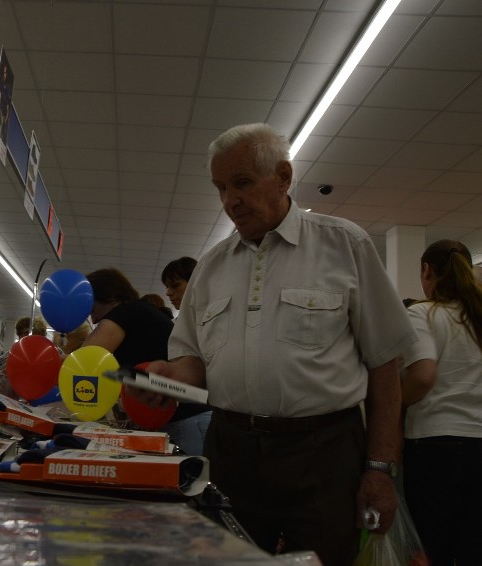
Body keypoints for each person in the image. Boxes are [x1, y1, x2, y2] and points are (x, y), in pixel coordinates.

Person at [143, 123, 416, 564]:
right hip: (230, 450)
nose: (230, 200)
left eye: (243, 183)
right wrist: (167, 378)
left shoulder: (344, 245)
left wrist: (381, 469)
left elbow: (386, 364)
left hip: (324, 454)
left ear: (284, 177)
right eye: (221, 187)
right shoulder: (211, 267)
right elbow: (192, 359)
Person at [401, 240, 482, 565]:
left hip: (436, 444)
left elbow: (422, 376)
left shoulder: (422, 312)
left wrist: (396, 404)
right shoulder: (477, 318)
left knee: (432, 547)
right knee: (472, 547)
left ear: (426, 271)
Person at [85, 268, 211, 454]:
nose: (94, 319)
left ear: (110, 297)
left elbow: (85, 361)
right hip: (195, 416)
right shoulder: (146, 312)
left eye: (93, 309)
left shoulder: (124, 312)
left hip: (184, 422)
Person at [157, 257, 214, 456]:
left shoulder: (211, 320)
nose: (168, 292)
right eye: (166, 286)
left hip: (198, 415)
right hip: (193, 412)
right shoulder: (183, 322)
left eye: (175, 285)